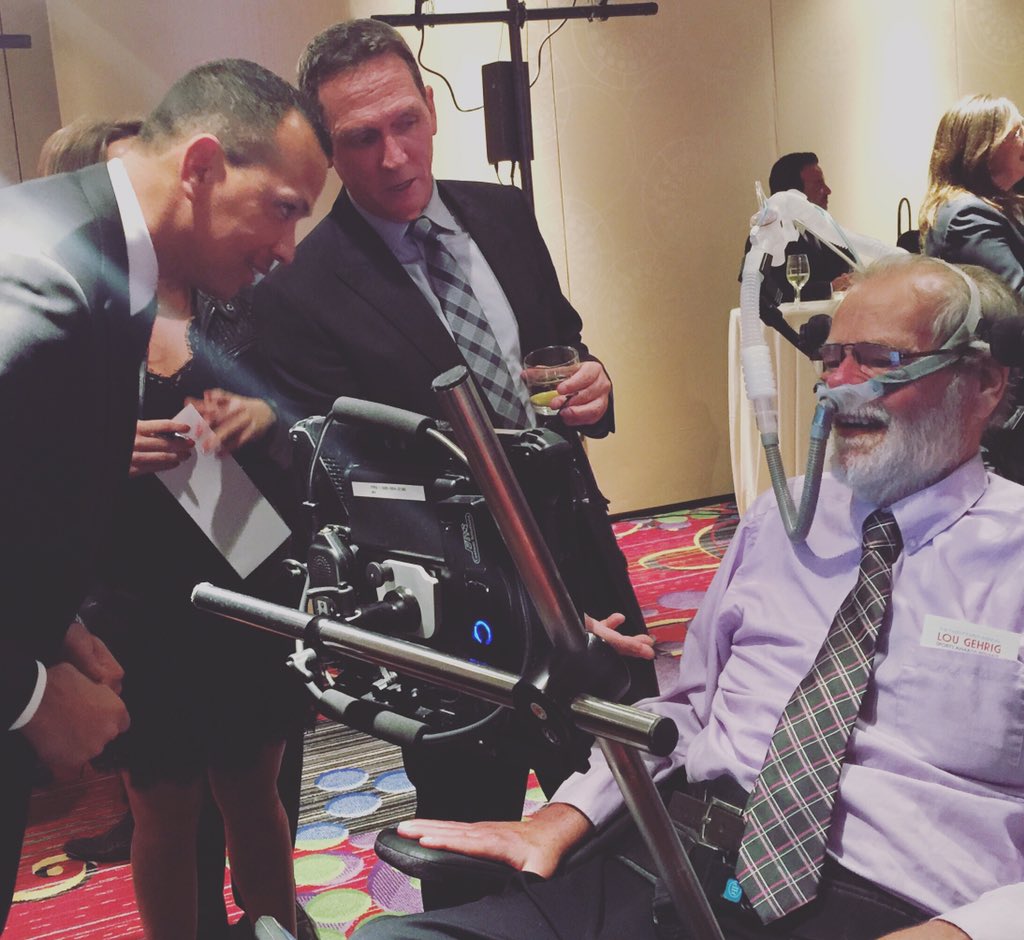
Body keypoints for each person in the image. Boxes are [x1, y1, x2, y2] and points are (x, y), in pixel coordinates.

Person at [353, 253, 1024, 940]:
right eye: (830, 360)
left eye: (878, 360)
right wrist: (563, 817)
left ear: (985, 385)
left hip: (899, 900)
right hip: (680, 852)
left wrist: (968, 932)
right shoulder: (782, 519)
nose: (838, 389)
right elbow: (686, 712)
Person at [253, 17, 655, 911]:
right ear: (327, 151)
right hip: (454, 625)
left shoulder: (502, 213)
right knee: (469, 844)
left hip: (585, 565)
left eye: (405, 122)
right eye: (361, 139)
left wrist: (594, 381)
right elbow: (354, 494)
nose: (394, 156)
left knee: (628, 809)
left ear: (431, 108)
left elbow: (561, 344)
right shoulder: (304, 291)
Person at [0, 58, 327, 936]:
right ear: (204, 166)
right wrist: (28, 688)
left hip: (235, 580)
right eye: (287, 207)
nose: (290, 248)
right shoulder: (47, 276)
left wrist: (56, 628)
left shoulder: (103, 260)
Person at [921, 94, 1024, 295]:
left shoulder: (1000, 204)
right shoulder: (967, 216)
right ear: (985, 146)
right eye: (1018, 131)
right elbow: (1016, 302)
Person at [742, 152, 854, 301]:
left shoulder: (823, 230)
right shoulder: (764, 239)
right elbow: (770, 293)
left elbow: (848, 264)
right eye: (818, 185)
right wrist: (830, 287)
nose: (828, 191)